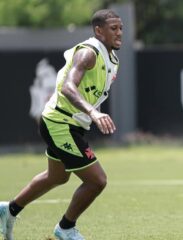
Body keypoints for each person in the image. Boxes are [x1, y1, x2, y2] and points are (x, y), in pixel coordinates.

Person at [0, 9, 123, 240]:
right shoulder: (89, 53)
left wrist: (90, 115)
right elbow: (68, 87)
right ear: (99, 31)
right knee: (97, 181)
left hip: (71, 123)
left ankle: (9, 209)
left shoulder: (111, 58)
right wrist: (93, 113)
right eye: (113, 28)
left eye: (121, 28)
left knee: (56, 176)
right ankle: (65, 228)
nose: (119, 33)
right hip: (60, 123)